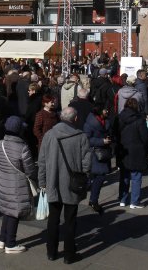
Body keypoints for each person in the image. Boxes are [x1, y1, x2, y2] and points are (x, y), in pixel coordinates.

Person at [38, 106, 91, 264]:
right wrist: (85, 177)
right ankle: (69, 254)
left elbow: (42, 161)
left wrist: (42, 182)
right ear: (75, 119)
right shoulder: (81, 136)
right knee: (70, 220)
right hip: (72, 184)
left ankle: (51, 252)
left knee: (53, 219)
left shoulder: (49, 135)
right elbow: (86, 162)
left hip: (53, 182)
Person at [0, 116, 37, 254]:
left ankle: (2, 239)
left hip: (4, 182)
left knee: (7, 210)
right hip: (17, 184)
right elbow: (30, 170)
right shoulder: (22, 147)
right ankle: (10, 244)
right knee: (14, 213)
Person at [115, 97, 148, 208]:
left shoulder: (119, 117)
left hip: (123, 150)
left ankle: (122, 199)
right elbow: (145, 137)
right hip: (137, 151)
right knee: (136, 177)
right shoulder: (139, 120)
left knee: (124, 176)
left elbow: (115, 134)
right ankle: (134, 202)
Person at [83, 105, 111, 215]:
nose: (107, 110)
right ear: (99, 111)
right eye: (105, 109)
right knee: (100, 176)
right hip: (94, 153)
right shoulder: (90, 123)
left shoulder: (106, 120)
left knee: (97, 176)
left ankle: (93, 200)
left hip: (103, 152)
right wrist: (101, 141)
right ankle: (94, 201)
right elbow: (87, 139)